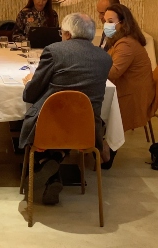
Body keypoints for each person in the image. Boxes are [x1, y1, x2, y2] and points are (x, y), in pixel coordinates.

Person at [19, 13, 112, 205]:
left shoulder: (54, 51)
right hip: (86, 129)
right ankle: (53, 167)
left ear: (68, 34)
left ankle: (45, 162)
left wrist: (29, 82)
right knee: (68, 124)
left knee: (45, 122)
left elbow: (31, 94)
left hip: (50, 126)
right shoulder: (104, 58)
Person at [103, 3, 155, 168]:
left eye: (110, 21)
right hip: (128, 89)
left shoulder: (126, 44)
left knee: (91, 103)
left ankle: (105, 150)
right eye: (105, 21)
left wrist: (91, 66)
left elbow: (113, 72)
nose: (106, 25)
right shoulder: (122, 41)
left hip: (132, 96)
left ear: (123, 23)